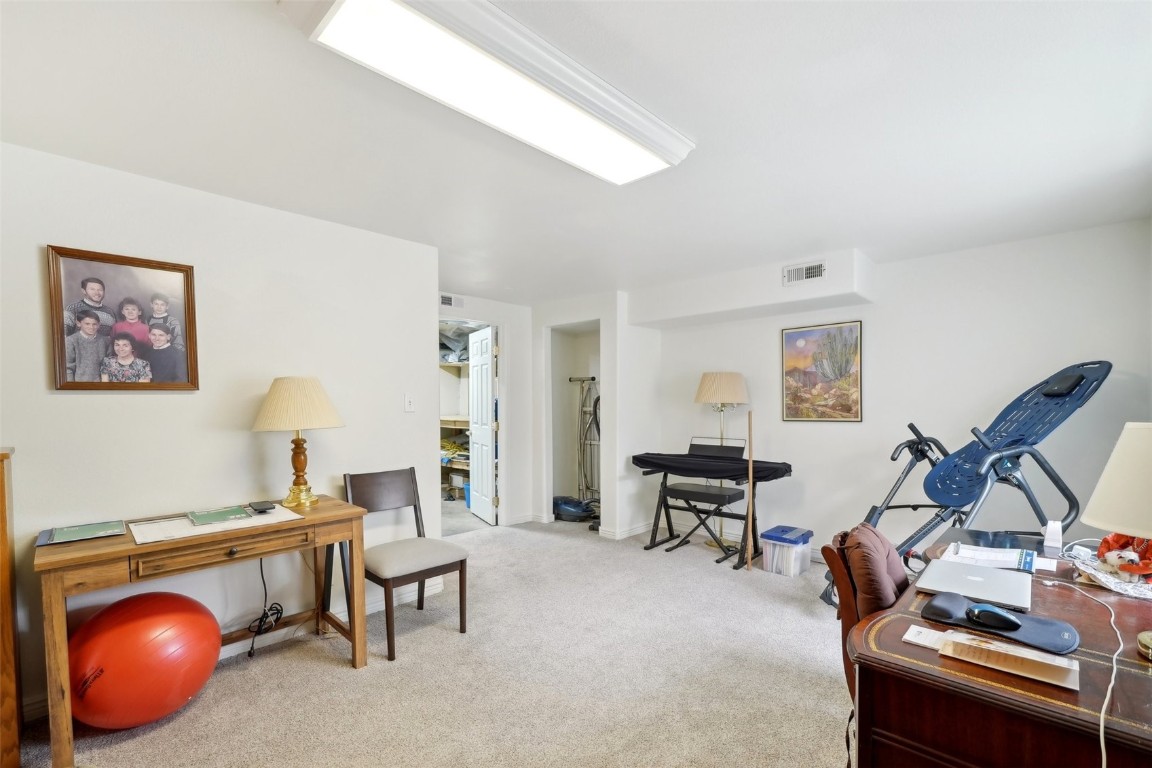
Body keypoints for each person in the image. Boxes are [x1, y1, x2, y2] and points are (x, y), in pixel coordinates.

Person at [64, 310, 111, 382]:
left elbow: (109, 365)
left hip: (101, 383)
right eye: (87, 324)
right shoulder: (71, 341)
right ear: (78, 323)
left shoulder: (105, 341)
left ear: (99, 325)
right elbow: (68, 368)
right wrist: (71, 387)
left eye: (94, 324)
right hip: (79, 384)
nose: (91, 327)